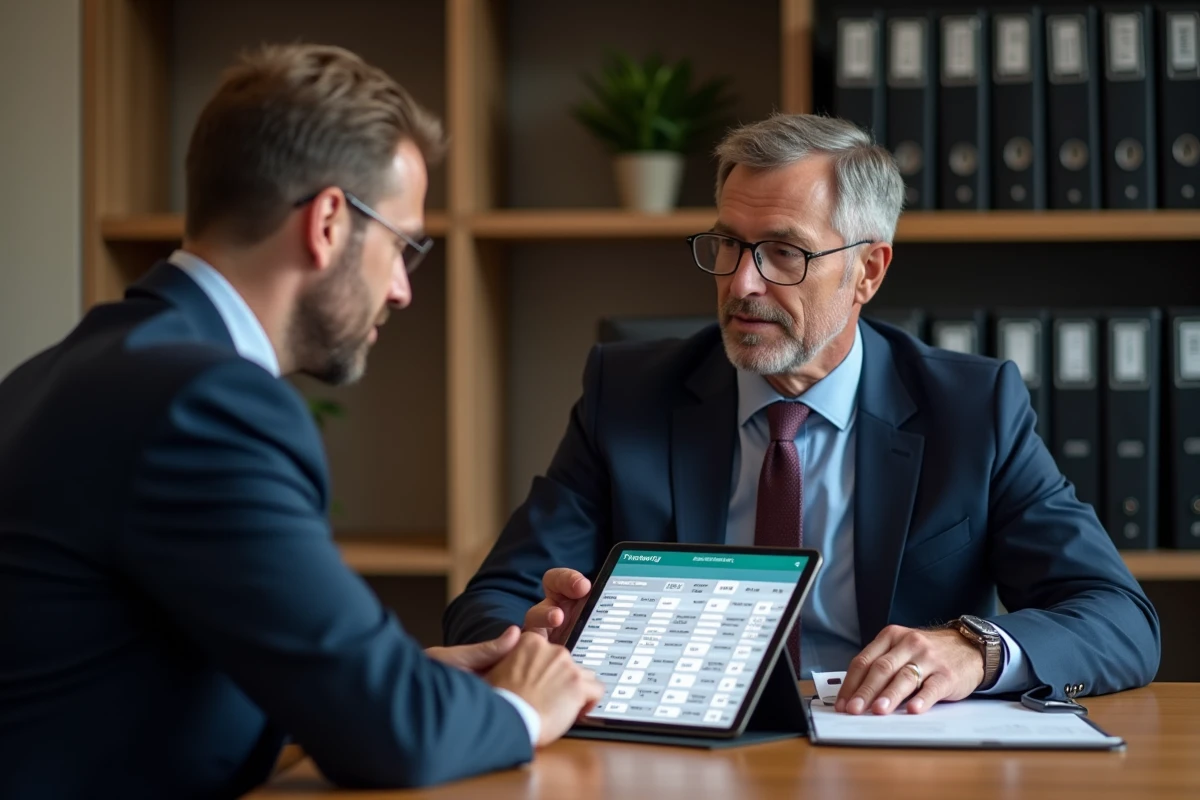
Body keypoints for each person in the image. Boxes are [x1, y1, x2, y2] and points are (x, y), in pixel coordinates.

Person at [0, 44, 602, 798]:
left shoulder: (62, 370)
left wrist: (410, 679)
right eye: (402, 247)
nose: (402, 291)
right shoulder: (208, 403)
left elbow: (141, 678)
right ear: (327, 222)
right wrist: (522, 707)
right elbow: (394, 741)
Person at [444, 113, 1160, 718]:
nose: (741, 282)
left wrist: (975, 648)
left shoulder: (972, 410)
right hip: (677, 751)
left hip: (887, 754)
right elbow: (497, 599)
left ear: (868, 272)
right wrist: (534, 638)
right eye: (727, 245)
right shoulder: (629, 391)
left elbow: (1119, 618)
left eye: (783, 253)